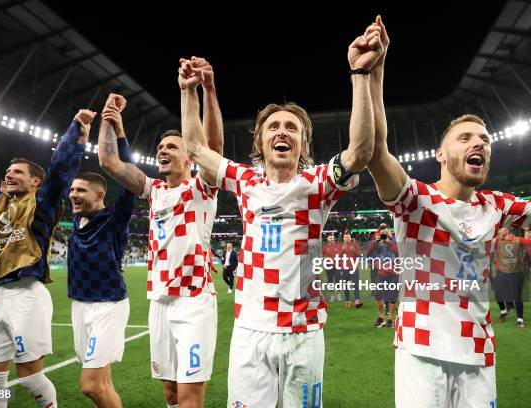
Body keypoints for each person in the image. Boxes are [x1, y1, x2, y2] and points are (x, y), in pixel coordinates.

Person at [178, 24, 381, 406]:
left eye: (292, 128)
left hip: (303, 333)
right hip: (251, 330)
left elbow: (361, 151)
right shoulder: (244, 180)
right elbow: (194, 147)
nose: (282, 132)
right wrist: (190, 91)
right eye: (273, 126)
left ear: (303, 143)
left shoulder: (317, 184)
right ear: (260, 140)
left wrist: (360, 76)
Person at [365, 15, 531, 407]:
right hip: (421, 350)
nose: (479, 143)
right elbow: (375, 151)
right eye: (465, 138)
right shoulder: (414, 199)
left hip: (478, 352)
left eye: (484, 139)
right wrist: (374, 74)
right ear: (440, 155)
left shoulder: (497, 205)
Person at [0, 108, 95, 407]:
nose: (9, 174)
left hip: (27, 295)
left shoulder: (44, 205)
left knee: (29, 378)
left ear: (36, 181)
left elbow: (62, 168)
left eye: (18, 172)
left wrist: (76, 130)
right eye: (8, 172)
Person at [98, 56, 224, 408]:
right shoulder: (153, 191)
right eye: (160, 148)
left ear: (190, 159)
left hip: (194, 300)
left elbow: (213, 149)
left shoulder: (201, 189)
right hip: (159, 302)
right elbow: (109, 162)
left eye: (172, 147)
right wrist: (109, 118)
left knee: (188, 396)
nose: (162, 151)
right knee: (169, 393)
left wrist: (207, 90)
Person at [66, 97, 135, 407]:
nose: (73, 195)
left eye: (80, 191)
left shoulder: (113, 219)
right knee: (102, 382)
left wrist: (117, 132)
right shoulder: (77, 218)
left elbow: (130, 177)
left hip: (107, 304)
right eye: (71, 190)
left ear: (100, 194)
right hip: (79, 304)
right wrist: (79, 134)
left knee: (90, 384)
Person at [492, 227, 529, 327]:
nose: (501, 237)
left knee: (517, 296)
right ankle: (504, 311)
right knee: (497, 292)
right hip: (501, 272)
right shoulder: (498, 241)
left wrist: (528, 232)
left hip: (515, 272)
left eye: (503, 235)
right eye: (500, 235)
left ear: (510, 233)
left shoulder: (518, 240)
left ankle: (520, 319)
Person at [366, 224, 398, 327]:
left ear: (389, 232)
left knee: (392, 297)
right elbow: (368, 253)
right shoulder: (377, 243)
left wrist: (390, 243)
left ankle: (391, 319)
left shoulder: (395, 240)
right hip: (381, 274)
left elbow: (399, 253)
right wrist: (376, 242)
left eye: (386, 232)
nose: (384, 235)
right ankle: (381, 317)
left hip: (394, 273)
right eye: (382, 233)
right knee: (377, 295)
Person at [340, 231, 363, 309]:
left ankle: (357, 300)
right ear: (343, 238)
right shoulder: (341, 246)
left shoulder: (354, 245)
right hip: (344, 268)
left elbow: (359, 255)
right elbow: (338, 257)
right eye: (346, 237)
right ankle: (347, 301)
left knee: (355, 285)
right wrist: (342, 250)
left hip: (354, 268)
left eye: (348, 237)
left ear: (350, 238)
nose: (347, 238)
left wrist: (354, 251)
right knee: (346, 285)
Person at [322, 234, 341, 302]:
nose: (332, 239)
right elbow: (321, 256)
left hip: (337, 266)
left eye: (332, 238)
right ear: (327, 239)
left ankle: (338, 296)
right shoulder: (324, 247)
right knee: (330, 282)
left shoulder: (338, 246)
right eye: (330, 238)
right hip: (329, 266)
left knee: (337, 281)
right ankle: (332, 296)